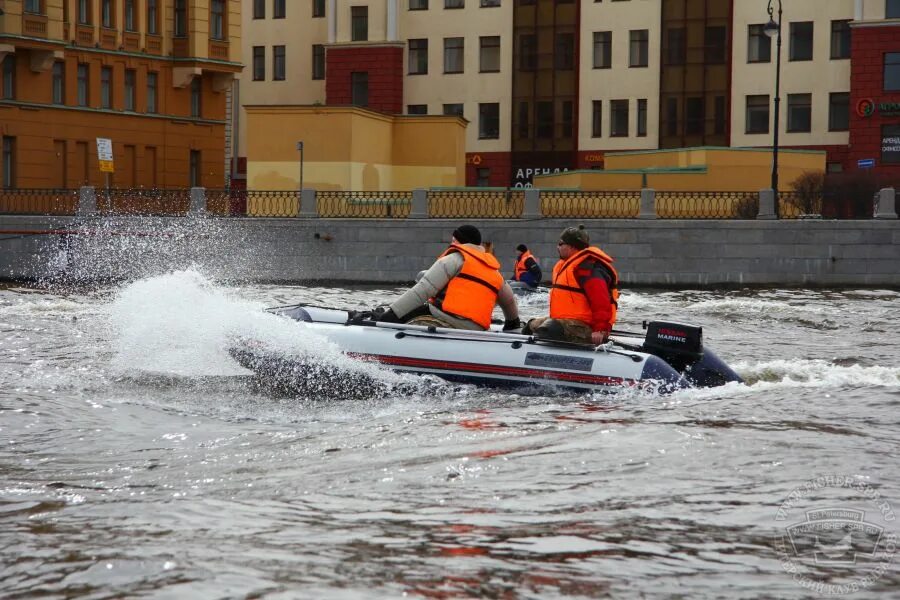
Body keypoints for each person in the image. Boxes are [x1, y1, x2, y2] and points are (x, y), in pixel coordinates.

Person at [361, 225, 521, 331]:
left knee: (420, 308)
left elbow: (422, 290)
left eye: (453, 241)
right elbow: (509, 302)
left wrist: (389, 316)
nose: (451, 244)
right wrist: (512, 326)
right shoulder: (495, 272)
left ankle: (383, 324)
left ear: (459, 242)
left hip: (448, 319)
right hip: (478, 328)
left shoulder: (454, 260)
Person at [523, 226, 619, 345]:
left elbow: (600, 300)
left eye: (560, 244)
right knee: (531, 325)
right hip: (566, 322)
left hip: (586, 326)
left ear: (572, 246)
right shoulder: (568, 265)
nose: (557, 247)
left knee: (550, 329)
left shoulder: (587, 268)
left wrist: (599, 329)